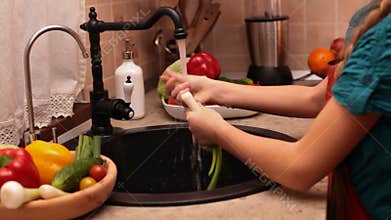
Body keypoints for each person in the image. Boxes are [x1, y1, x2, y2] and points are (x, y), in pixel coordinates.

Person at [161, 0, 391, 219]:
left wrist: (219, 131)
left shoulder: (384, 41)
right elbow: (318, 97)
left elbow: (301, 167)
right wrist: (218, 89)